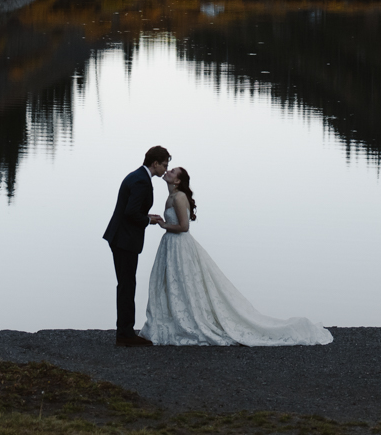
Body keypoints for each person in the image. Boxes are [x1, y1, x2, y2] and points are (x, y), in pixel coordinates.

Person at [142, 166, 332, 346]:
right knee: (175, 285)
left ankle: (192, 321)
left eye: (173, 171)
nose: (169, 170)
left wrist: (165, 225)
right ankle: (174, 320)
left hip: (180, 246)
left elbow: (184, 227)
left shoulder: (179, 197)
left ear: (177, 181)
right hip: (170, 246)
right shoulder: (171, 196)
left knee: (185, 283)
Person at [101, 144, 169, 347]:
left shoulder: (136, 176)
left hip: (120, 237)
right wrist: (149, 220)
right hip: (125, 240)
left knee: (125, 283)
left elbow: (131, 210)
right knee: (127, 285)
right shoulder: (141, 181)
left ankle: (125, 330)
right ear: (155, 163)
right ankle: (125, 334)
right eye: (164, 165)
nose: (165, 169)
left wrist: (146, 216)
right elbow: (131, 213)